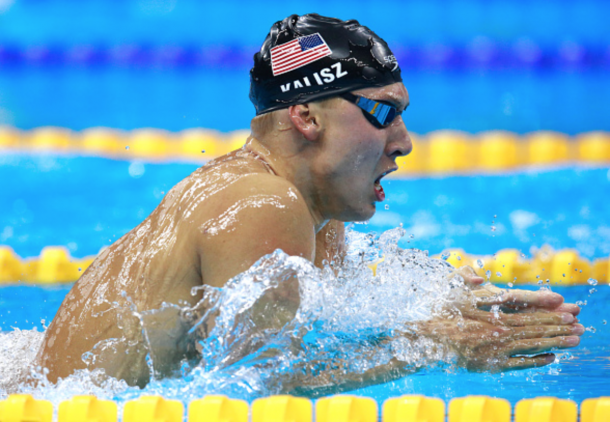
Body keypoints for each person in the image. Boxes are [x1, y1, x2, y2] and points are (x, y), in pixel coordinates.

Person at [36, 13, 582, 391]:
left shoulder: (316, 209)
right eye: (383, 112)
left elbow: (332, 323)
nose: (406, 141)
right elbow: (255, 383)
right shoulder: (263, 204)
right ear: (306, 117)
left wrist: (453, 306)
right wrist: (436, 347)